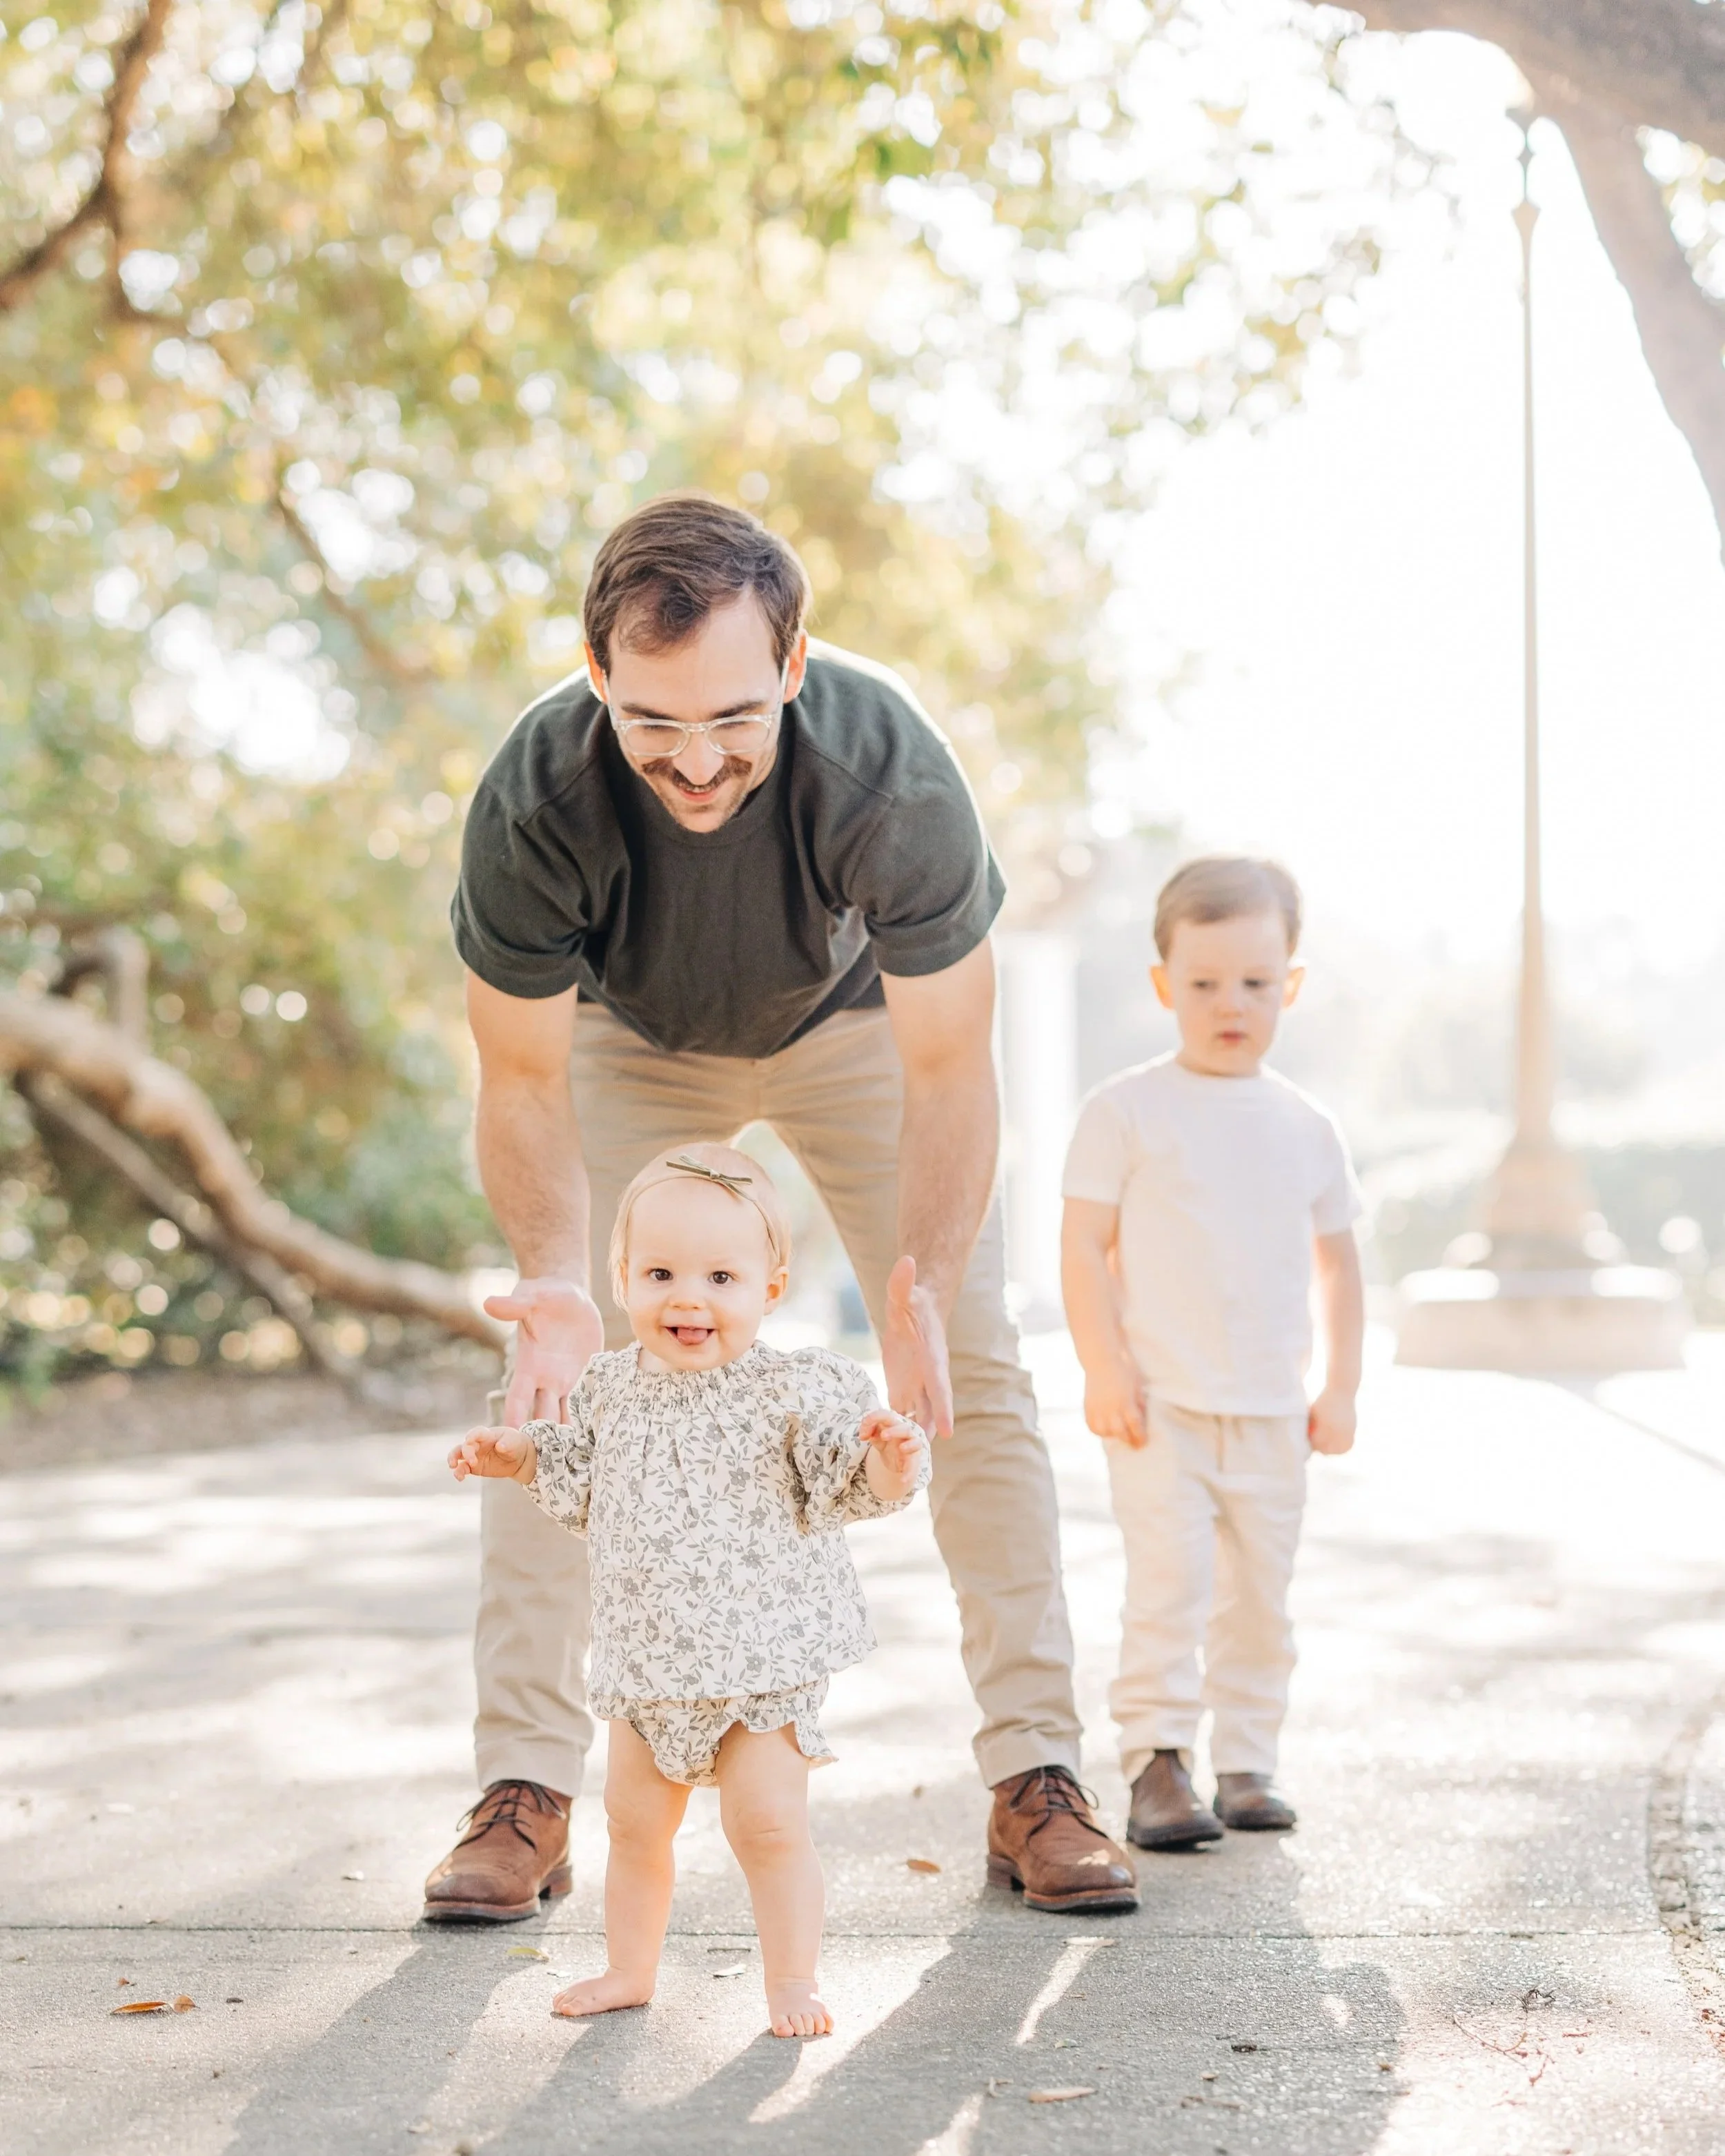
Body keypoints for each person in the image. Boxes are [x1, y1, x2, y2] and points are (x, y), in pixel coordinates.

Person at [422, 492, 1138, 1922]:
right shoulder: (536, 796)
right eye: (652, 722)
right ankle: (524, 1792)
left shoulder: (888, 773)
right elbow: (521, 1076)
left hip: (853, 1025)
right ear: (596, 671)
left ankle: (1036, 1772)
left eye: (734, 718)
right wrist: (556, 1275)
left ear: (795, 666)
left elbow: (950, 1066)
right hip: (630, 1033)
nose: (695, 762)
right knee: (554, 1381)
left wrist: (922, 1281)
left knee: (969, 1361)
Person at [448, 1146, 929, 2037]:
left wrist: (888, 1463)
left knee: (768, 1826)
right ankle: (629, 1969)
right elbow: (577, 1476)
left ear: (770, 1288)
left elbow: (840, 1478)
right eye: (661, 1273)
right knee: (633, 1828)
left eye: (721, 1277)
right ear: (623, 1279)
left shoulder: (789, 1391)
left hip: (759, 1667)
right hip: (648, 1665)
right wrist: (518, 1455)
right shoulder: (610, 1389)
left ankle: (793, 1979)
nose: (688, 1298)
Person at [1059, 856, 1364, 1852]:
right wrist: (1104, 1366)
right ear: (1164, 985)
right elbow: (1082, 1247)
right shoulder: (1127, 1111)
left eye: (1255, 982)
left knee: (1260, 1602)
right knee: (1168, 1587)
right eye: (1204, 983)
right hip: (1163, 1408)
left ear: (1291, 985)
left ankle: (1247, 1761)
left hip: (1274, 1413)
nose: (1231, 1003)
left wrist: (1341, 1387)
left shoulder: (1307, 1126)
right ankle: (1156, 1760)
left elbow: (1339, 1267)